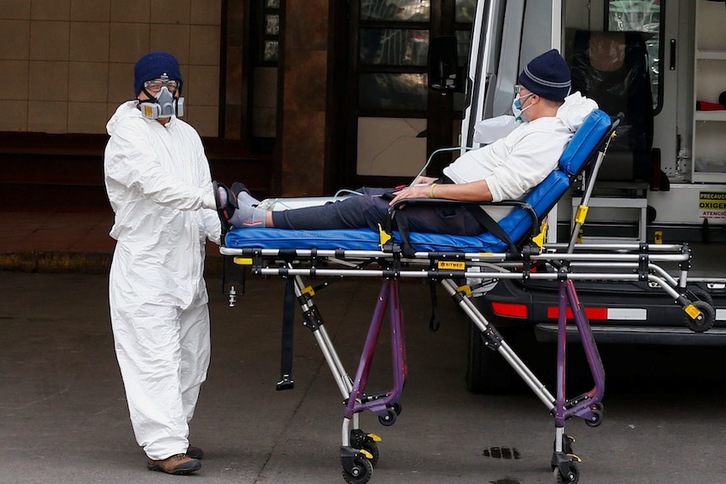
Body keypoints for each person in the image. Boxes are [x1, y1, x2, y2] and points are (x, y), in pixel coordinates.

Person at [216, 49, 597, 237]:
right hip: (462, 206)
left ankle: (257, 218)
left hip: (471, 217)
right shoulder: (537, 130)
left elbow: (499, 190)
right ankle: (264, 207)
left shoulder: (544, 137)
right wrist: (434, 185)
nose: (516, 98)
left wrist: (431, 196)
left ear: (533, 96)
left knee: (364, 208)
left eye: (520, 91)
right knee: (366, 192)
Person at [104, 51, 220, 475]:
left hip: (186, 265)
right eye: (156, 85)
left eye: (172, 85)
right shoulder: (128, 135)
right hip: (146, 266)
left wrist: (228, 234)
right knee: (153, 358)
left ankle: (176, 432)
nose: (165, 93)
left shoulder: (187, 135)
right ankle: (164, 447)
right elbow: (156, 186)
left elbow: (203, 188)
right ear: (139, 90)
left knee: (192, 356)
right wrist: (214, 199)